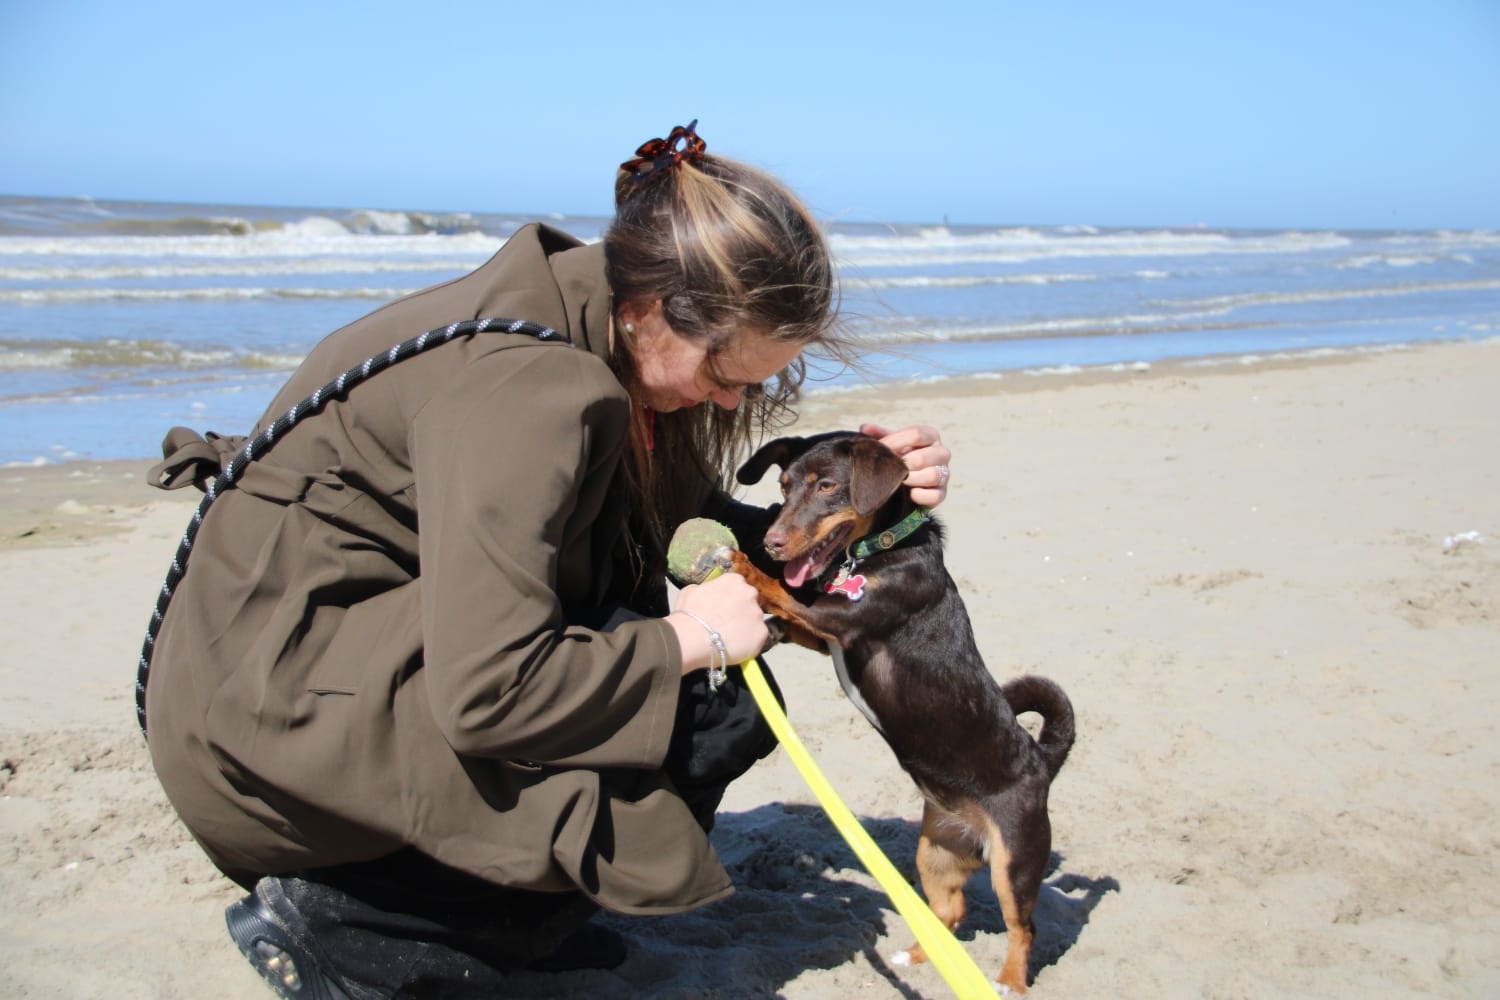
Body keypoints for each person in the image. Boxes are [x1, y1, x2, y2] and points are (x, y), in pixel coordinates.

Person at [142, 120, 952, 999]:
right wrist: (695, 643)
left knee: (683, 678)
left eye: (758, 382)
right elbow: (495, 688)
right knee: (691, 699)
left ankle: (493, 926)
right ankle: (371, 925)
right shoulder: (534, 386)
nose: (734, 397)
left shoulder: (602, 328)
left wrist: (865, 515)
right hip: (265, 732)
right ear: (649, 307)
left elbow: (690, 525)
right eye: (726, 371)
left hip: (315, 673)